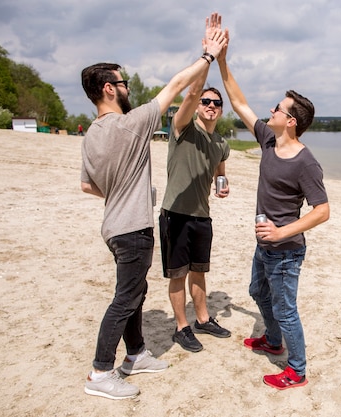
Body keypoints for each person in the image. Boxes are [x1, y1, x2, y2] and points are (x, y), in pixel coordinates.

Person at [79, 13, 226, 400]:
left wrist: (123, 191)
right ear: (110, 89)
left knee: (136, 293)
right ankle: (99, 373)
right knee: (126, 298)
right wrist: (209, 55)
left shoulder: (92, 135)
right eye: (123, 83)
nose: (127, 89)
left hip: (114, 225)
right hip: (132, 228)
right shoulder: (131, 124)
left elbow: (87, 185)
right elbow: (177, 86)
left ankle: (136, 354)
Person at [217, 32, 330, 390]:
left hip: (286, 251)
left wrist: (283, 232)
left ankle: (296, 370)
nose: (271, 111)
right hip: (264, 244)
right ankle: (274, 340)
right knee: (257, 292)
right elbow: (239, 102)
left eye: (278, 109)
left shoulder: (305, 162)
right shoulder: (267, 139)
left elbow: (323, 210)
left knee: (285, 309)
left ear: (291, 121)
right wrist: (221, 59)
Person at [160, 76, 232, 351]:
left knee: (199, 272)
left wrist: (221, 186)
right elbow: (189, 96)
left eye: (216, 102)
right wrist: (209, 59)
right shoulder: (184, 128)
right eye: (206, 101)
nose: (211, 105)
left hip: (202, 215)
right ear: (198, 105)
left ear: (221, 110)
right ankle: (182, 327)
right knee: (178, 274)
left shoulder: (221, 144)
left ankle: (202, 319)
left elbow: (220, 174)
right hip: (176, 213)